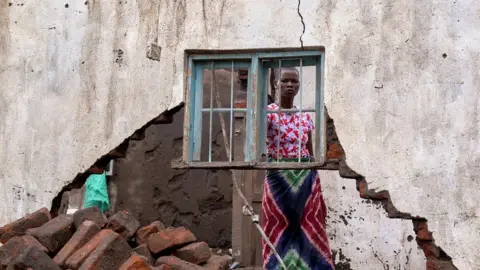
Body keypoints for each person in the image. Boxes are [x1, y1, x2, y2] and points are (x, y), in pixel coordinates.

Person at [261, 67, 334, 269]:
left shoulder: (305, 116)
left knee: (309, 225)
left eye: (295, 81)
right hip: (279, 178)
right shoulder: (268, 114)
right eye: (285, 81)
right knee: (277, 225)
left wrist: (314, 174)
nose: (290, 85)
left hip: (304, 178)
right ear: (276, 84)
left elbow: (308, 149)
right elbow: (257, 142)